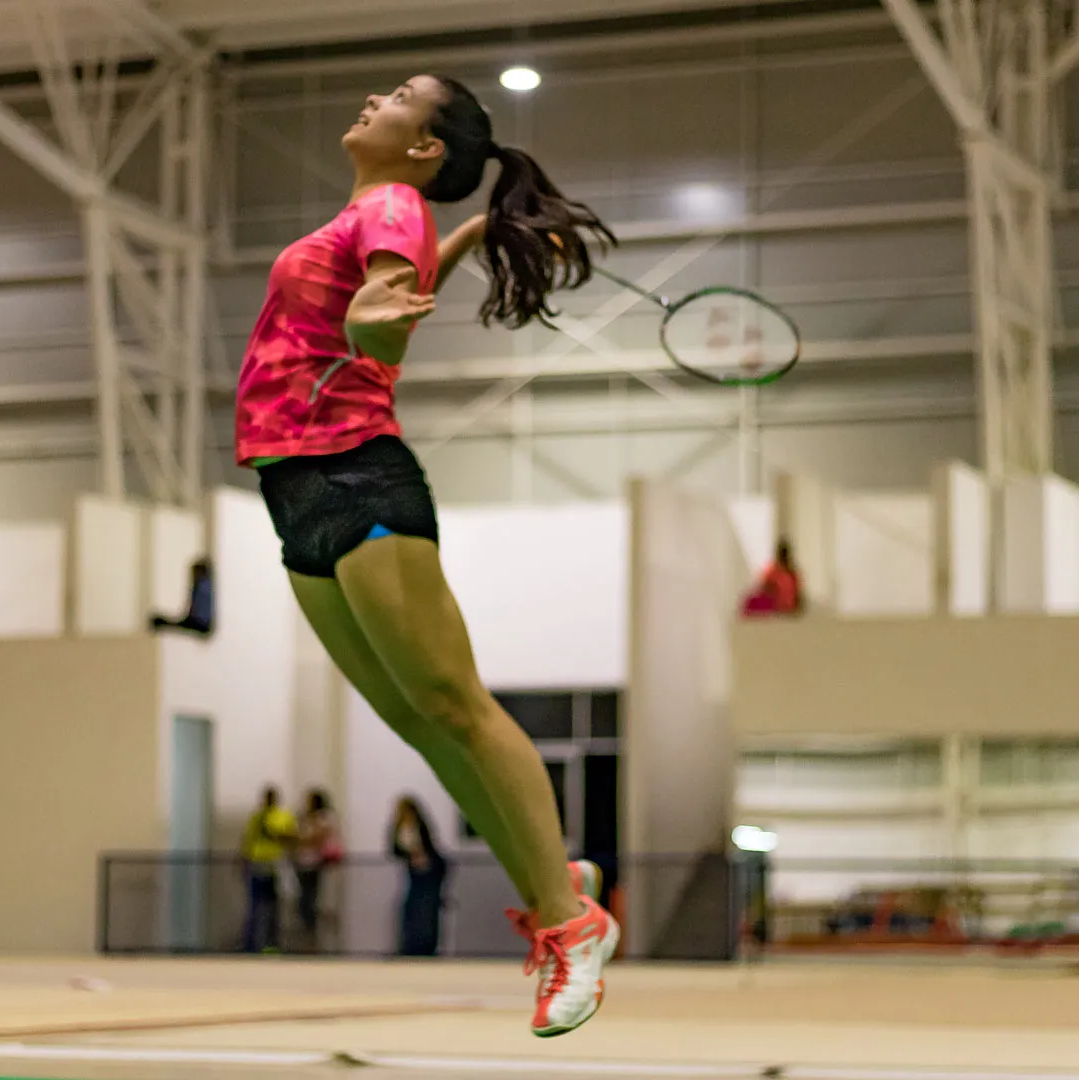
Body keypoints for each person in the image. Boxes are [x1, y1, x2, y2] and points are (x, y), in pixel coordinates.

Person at [232, 74, 617, 1035]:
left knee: (456, 705)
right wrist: (478, 236)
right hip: (296, 492)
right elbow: (386, 284)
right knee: (417, 719)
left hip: (356, 475)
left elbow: (377, 317)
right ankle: (555, 875)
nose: (372, 96)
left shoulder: (392, 207)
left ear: (424, 148)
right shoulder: (382, 213)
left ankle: (571, 922)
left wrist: (377, 320)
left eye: (400, 95)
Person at [238, 786, 298, 954]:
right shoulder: (256, 817)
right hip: (257, 863)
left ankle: (272, 944)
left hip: (275, 865)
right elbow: (247, 839)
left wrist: (275, 833)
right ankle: (250, 944)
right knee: (254, 905)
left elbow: (292, 837)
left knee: (274, 907)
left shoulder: (283, 816)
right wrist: (243, 860)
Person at [389, 796, 448, 957]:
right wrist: (410, 856)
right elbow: (395, 849)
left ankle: (427, 945)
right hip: (414, 871)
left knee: (427, 908)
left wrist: (422, 857)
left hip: (429, 871)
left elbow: (429, 846)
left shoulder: (420, 826)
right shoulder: (399, 828)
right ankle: (411, 943)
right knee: (411, 907)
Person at [292, 788, 342, 948]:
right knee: (304, 901)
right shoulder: (305, 818)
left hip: (318, 864)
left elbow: (317, 838)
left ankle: (320, 938)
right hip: (303, 864)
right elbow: (299, 838)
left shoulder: (324, 817)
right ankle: (307, 934)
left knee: (316, 900)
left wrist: (306, 839)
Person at [150, 558, 214, 636]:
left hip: (200, 623)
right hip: (197, 621)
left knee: (158, 620)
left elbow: (198, 612)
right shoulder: (203, 585)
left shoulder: (203, 586)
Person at [742, 540, 803, 617]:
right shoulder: (774, 570)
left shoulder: (791, 572)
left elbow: (798, 593)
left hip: (784, 607)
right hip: (777, 606)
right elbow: (764, 586)